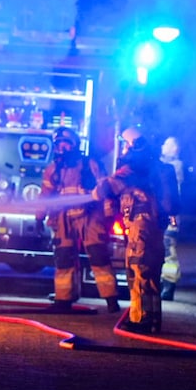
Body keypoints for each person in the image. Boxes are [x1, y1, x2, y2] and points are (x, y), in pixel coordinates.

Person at [95, 126, 177, 331]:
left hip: (140, 226)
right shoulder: (158, 168)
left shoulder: (131, 169)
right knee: (151, 272)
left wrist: (94, 192)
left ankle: (140, 319)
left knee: (137, 269)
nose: (122, 149)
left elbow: (106, 189)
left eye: (125, 144)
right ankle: (153, 319)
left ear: (132, 146)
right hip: (155, 227)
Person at [35, 126, 119, 313]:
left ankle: (111, 298)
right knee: (64, 258)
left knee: (99, 256)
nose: (62, 148)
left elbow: (105, 189)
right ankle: (64, 300)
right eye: (58, 145)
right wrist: (39, 216)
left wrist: (108, 215)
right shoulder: (53, 170)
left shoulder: (91, 164)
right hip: (63, 217)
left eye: (65, 144)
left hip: (90, 216)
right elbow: (45, 195)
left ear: (74, 145)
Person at [159, 136, 184, 300]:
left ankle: (168, 286)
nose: (163, 146)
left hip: (169, 216)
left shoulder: (175, 166)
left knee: (169, 251)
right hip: (162, 214)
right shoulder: (162, 164)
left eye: (167, 144)